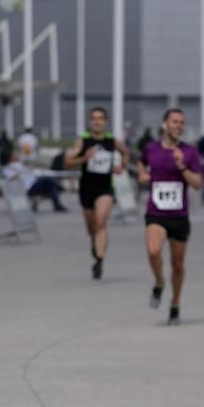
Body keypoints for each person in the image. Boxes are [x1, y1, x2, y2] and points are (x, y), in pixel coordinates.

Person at [138, 108, 203, 325]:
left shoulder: (189, 152)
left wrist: (182, 167)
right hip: (156, 212)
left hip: (179, 215)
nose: (179, 126)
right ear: (164, 124)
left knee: (178, 264)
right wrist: (142, 174)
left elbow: (197, 184)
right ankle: (159, 282)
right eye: (175, 122)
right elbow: (142, 162)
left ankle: (175, 303)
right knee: (154, 250)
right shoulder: (151, 149)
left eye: (182, 122)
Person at [64, 107, 129, 280]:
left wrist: (122, 166)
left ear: (106, 122)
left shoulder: (112, 141)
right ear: (90, 121)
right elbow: (68, 162)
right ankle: (95, 244)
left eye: (100, 118)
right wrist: (84, 158)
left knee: (101, 222)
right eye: (94, 118)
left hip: (105, 188)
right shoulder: (82, 141)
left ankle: (99, 260)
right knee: (92, 227)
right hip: (86, 188)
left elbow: (126, 152)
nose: (97, 121)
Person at [1, 151, 68, 212]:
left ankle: (57, 203)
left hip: (34, 182)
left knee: (51, 186)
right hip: (28, 187)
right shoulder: (8, 168)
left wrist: (27, 168)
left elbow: (29, 171)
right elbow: (12, 178)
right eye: (14, 154)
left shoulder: (19, 164)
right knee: (48, 180)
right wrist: (20, 172)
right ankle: (60, 191)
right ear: (10, 157)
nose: (16, 155)